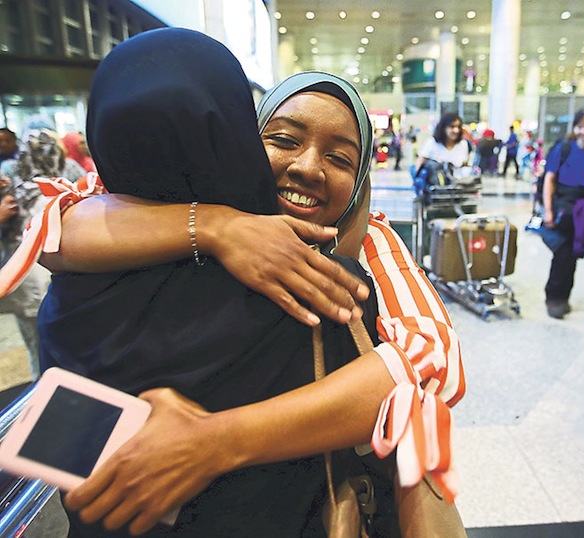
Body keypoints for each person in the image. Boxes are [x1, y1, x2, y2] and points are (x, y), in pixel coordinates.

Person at [15, 31, 461, 535]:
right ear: (239, 137)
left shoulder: (352, 260)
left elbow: (431, 358)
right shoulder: (118, 235)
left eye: (341, 158)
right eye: (283, 139)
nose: (308, 167)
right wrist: (214, 225)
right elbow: (55, 226)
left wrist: (213, 440)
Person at [0, 127, 88, 377]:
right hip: (63, 287)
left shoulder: (16, 196)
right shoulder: (69, 196)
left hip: (26, 287)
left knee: (37, 351)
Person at [540, 108, 584, 319]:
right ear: (575, 128)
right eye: (581, 126)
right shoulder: (564, 148)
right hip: (562, 205)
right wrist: (548, 210)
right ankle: (554, 298)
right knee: (562, 253)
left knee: (574, 255)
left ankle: (563, 297)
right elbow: (549, 180)